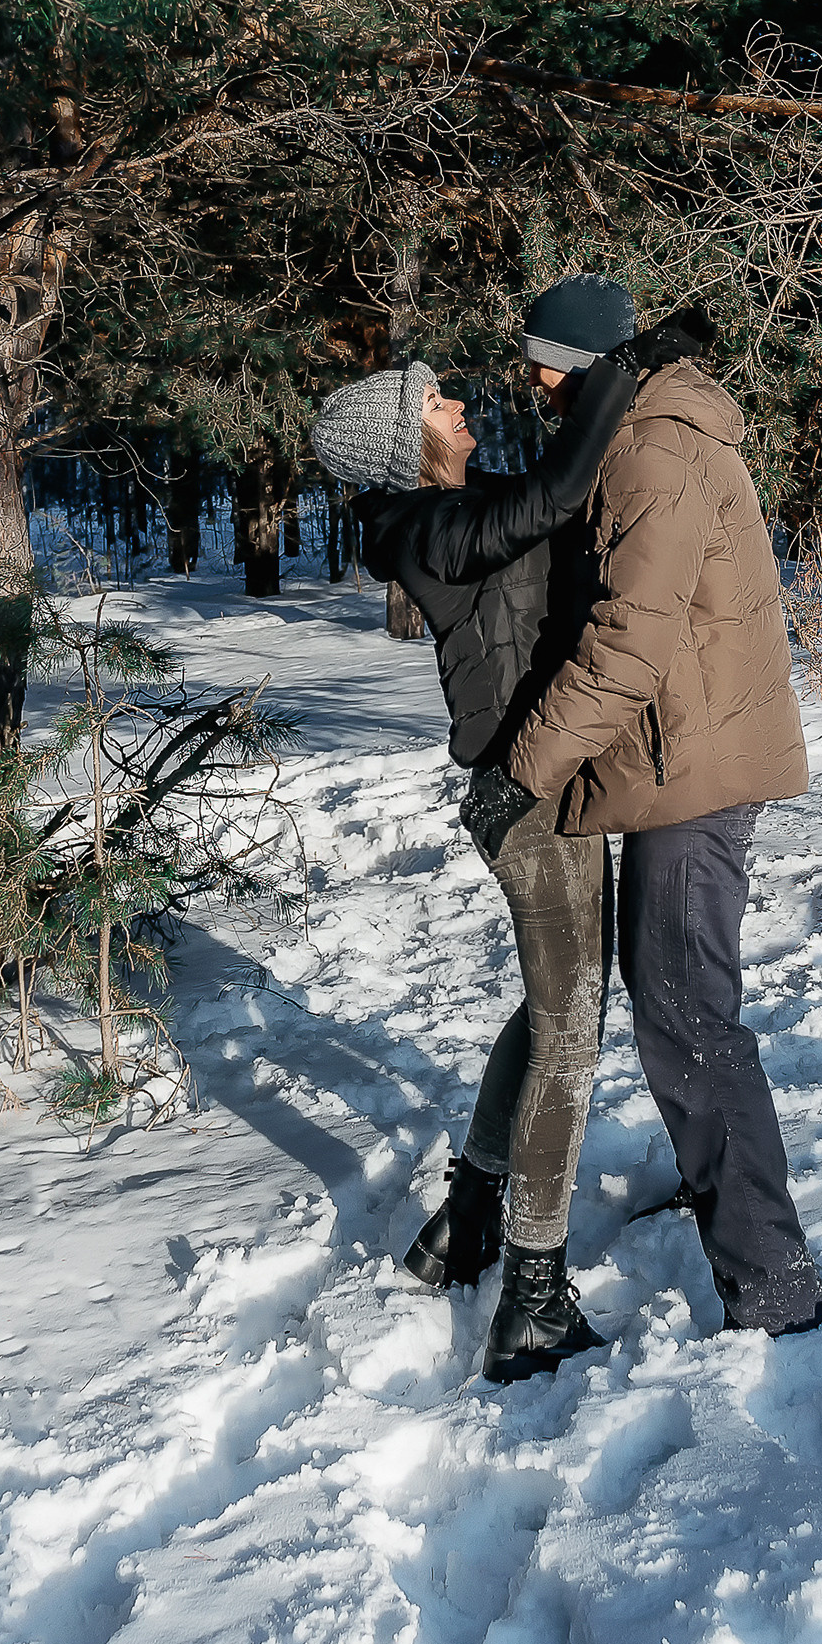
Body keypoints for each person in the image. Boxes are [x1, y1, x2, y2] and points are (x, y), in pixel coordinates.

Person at [310, 319, 638, 1381]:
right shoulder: (418, 528)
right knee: (570, 1035)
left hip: (546, 782)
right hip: (524, 798)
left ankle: (468, 1219)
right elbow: (550, 495)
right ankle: (532, 1299)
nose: (457, 406)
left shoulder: (453, 503)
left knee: (554, 1011)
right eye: (437, 402)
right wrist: (612, 372)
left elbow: (548, 497)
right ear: (402, 442)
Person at [505, 277, 822, 1340]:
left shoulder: (652, 448)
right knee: (677, 1010)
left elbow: (630, 641)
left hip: (691, 764)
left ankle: (774, 1285)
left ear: (590, 362)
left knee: (689, 1016)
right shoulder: (637, 429)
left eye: (545, 361)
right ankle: (732, 1215)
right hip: (677, 760)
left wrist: (527, 763)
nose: (534, 380)